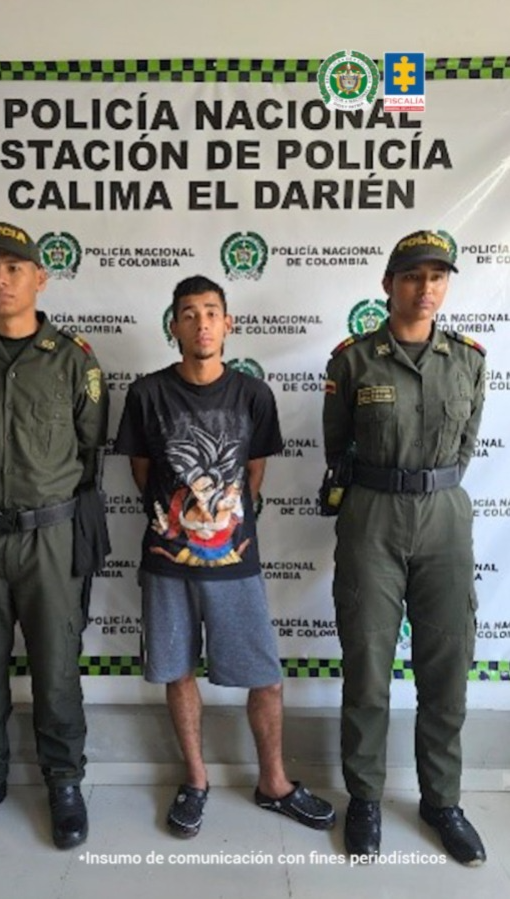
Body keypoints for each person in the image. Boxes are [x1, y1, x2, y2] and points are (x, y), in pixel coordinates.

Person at [115, 274, 336, 838]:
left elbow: (254, 475)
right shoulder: (146, 394)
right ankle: (195, 780)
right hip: (167, 562)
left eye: (212, 311)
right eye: (188, 313)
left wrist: (222, 521)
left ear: (228, 323)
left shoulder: (253, 395)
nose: (202, 323)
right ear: (174, 327)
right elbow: (141, 472)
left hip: (235, 561)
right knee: (177, 670)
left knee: (265, 675)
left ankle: (274, 783)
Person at [0, 222, 108, 849]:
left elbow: (90, 452)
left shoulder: (74, 359)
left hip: (50, 538)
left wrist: (43, 503)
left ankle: (64, 781)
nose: (0, 280)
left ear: (41, 277)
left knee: (57, 667)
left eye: (13, 268)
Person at [321, 230, 486, 865]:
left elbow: (467, 443)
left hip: (445, 515)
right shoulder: (352, 361)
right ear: (388, 285)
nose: (426, 289)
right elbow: (338, 447)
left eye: (437, 277)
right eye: (413, 277)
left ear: (446, 286)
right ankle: (364, 797)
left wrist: (430, 484)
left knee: (445, 667)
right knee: (366, 664)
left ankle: (441, 800)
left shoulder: (469, 359)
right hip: (372, 515)